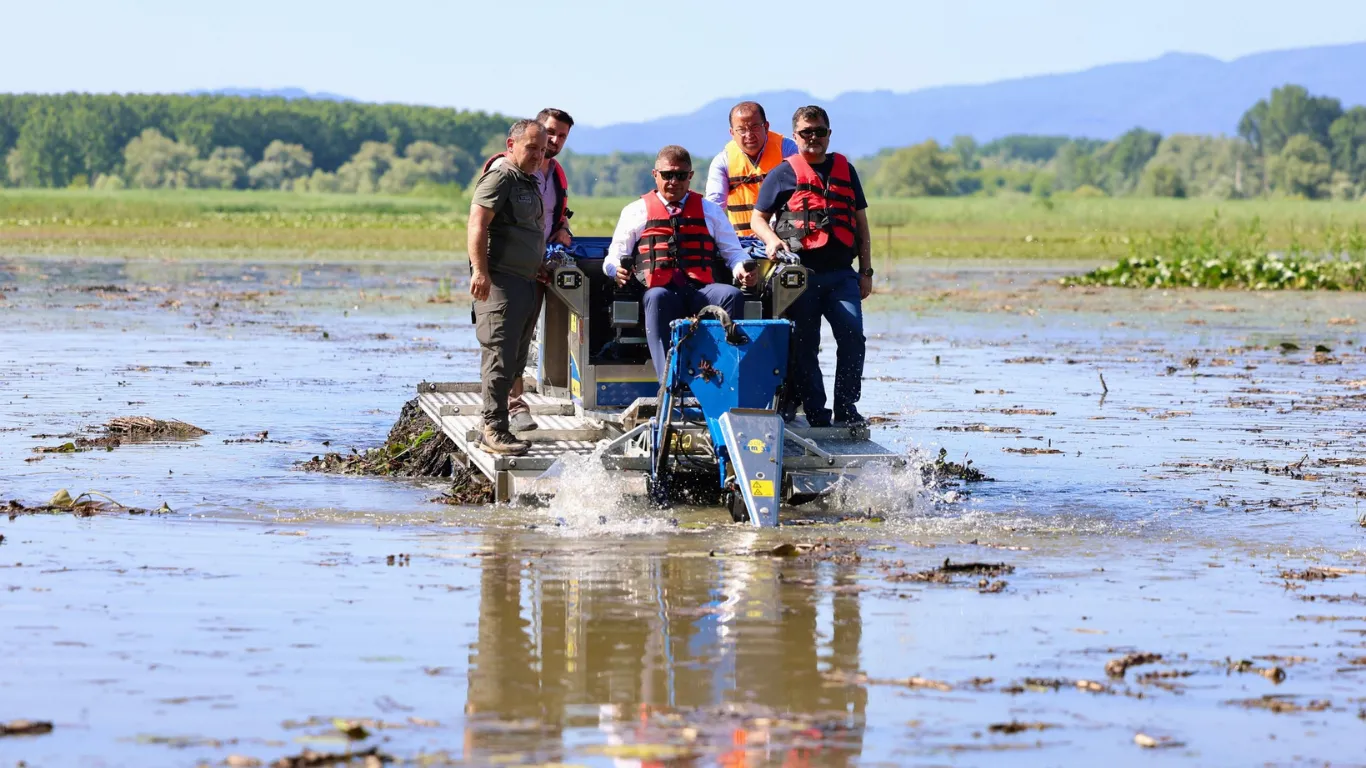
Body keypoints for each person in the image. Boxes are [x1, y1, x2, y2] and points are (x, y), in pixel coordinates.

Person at [750, 106, 873, 428]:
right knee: (805, 344)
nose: (814, 138)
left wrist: (867, 271)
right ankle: (817, 414)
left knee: (853, 337)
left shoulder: (846, 170)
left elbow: (861, 223)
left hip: (842, 275)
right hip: (799, 275)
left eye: (819, 132)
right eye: (807, 133)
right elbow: (758, 218)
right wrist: (771, 241)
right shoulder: (783, 173)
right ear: (796, 136)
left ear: (829, 134)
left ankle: (847, 408)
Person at [604, 145, 759, 381]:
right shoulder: (635, 212)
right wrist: (616, 270)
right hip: (659, 290)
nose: (673, 181)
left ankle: (719, 376)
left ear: (691, 176)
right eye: (667, 175)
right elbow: (614, 255)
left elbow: (734, 253)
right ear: (655, 175)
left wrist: (742, 270)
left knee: (731, 295)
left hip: (700, 290)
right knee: (657, 298)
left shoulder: (711, 211)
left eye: (680, 175)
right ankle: (668, 383)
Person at [483, 108, 575, 434]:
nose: (554, 140)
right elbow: (480, 222)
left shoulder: (554, 173)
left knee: (522, 341)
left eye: (562, 136)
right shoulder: (506, 170)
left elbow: (551, 214)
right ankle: (510, 410)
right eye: (549, 132)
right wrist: (480, 271)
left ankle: (514, 404)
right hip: (505, 269)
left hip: (537, 266)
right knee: (503, 342)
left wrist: (562, 227)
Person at [467, 119, 549, 455]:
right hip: (500, 281)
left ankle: (493, 422)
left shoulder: (529, 181)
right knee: (498, 356)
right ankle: (494, 431)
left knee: (515, 360)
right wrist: (480, 272)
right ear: (511, 144)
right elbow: (477, 223)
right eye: (531, 147)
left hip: (526, 282)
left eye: (542, 150)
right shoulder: (501, 176)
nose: (537, 155)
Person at [704, 101, 798, 237]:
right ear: (732, 132)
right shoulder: (722, 161)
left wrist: (767, 231)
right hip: (740, 242)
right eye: (741, 130)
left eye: (754, 127)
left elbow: (799, 193)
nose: (748, 134)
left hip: (784, 236)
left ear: (766, 127)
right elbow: (714, 207)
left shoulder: (787, 149)